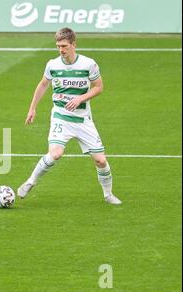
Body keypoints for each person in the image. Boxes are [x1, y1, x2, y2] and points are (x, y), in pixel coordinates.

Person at [17, 27, 122, 205]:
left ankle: (108, 194)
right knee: (56, 154)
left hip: (83, 119)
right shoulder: (53, 65)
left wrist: (81, 97)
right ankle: (30, 182)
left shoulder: (89, 64)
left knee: (101, 160)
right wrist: (32, 108)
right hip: (61, 117)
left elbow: (98, 87)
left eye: (64, 46)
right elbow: (43, 84)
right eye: (58, 46)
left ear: (74, 44)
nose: (61, 50)